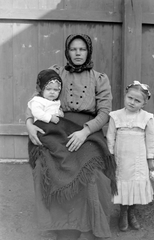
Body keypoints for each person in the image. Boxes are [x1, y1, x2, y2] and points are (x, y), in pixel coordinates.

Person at [26, 34, 117, 240]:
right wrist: (29, 124)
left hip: (88, 130)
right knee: (45, 164)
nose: (77, 53)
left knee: (91, 170)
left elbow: (104, 112)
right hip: (57, 126)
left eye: (82, 49)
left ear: (88, 52)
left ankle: (89, 225)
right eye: (73, 49)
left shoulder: (99, 78)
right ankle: (60, 225)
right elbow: (35, 100)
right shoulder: (56, 73)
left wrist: (85, 131)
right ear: (67, 51)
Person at [106, 80, 154, 232]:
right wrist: (110, 158)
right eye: (130, 98)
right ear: (125, 96)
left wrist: (150, 161)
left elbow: (150, 140)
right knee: (122, 184)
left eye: (137, 101)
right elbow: (110, 138)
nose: (132, 102)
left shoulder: (147, 118)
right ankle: (123, 212)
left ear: (143, 104)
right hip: (121, 159)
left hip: (138, 160)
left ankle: (132, 212)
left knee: (136, 185)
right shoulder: (115, 116)